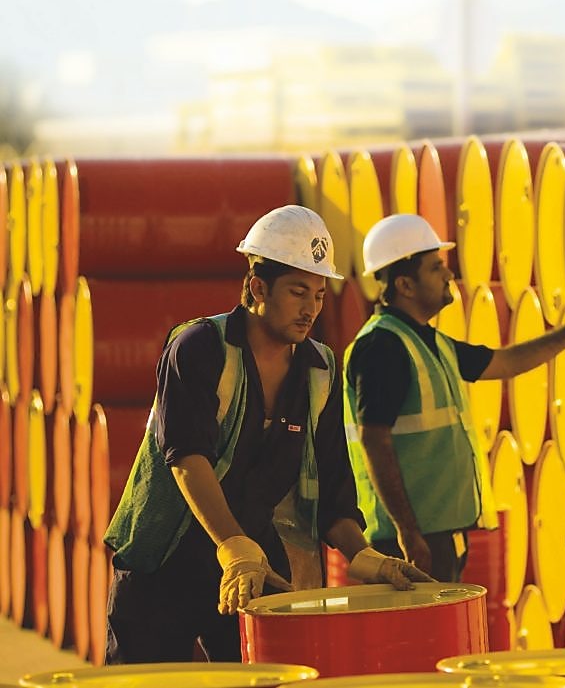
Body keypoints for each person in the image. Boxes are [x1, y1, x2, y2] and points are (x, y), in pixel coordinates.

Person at [102, 204, 430, 664]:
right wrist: (232, 546)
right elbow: (186, 457)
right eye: (298, 292)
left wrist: (363, 555)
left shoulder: (320, 368)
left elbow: (334, 484)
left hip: (254, 573)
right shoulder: (198, 347)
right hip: (165, 562)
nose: (311, 309)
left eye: (318, 294)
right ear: (258, 287)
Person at [344, 213, 565, 581]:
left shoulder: (432, 343)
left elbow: (509, 361)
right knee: (421, 637)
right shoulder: (382, 347)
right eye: (435, 267)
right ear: (406, 285)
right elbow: (374, 442)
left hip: (437, 532)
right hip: (406, 539)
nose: (448, 274)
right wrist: (407, 530)